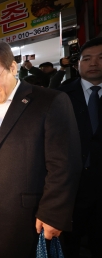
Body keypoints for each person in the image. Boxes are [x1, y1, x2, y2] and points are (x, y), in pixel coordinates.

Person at [0, 41, 82, 257]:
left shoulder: (50, 100)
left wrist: (54, 213)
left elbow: (64, 164)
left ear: (12, 68)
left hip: (28, 213)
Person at [58, 37, 102, 258]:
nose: (94, 63)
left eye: (101, 58)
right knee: (70, 240)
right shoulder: (61, 95)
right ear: (77, 65)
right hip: (73, 183)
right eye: (87, 58)